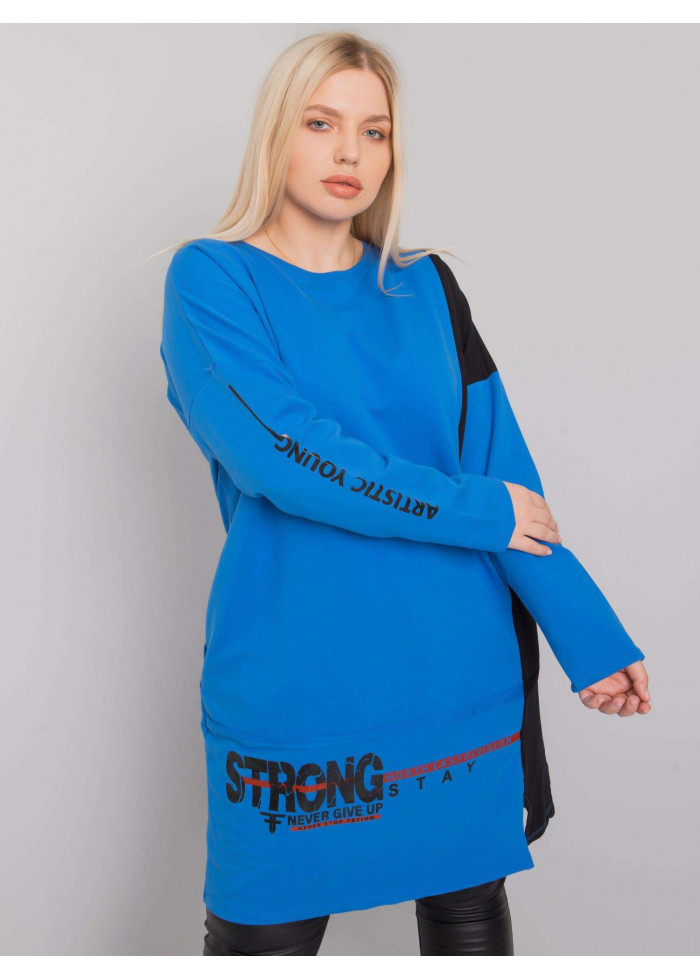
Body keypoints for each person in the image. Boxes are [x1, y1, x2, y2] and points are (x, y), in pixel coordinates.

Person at [157, 31, 651, 955]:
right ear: (276, 132)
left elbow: (505, 471)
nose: (350, 151)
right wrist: (475, 509)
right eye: (321, 123)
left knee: (468, 917)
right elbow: (284, 456)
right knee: (263, 931)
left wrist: (590, 632)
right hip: (302, 686)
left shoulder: (427, 286)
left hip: (458, 673)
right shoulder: (212, 278)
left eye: (374, 131)